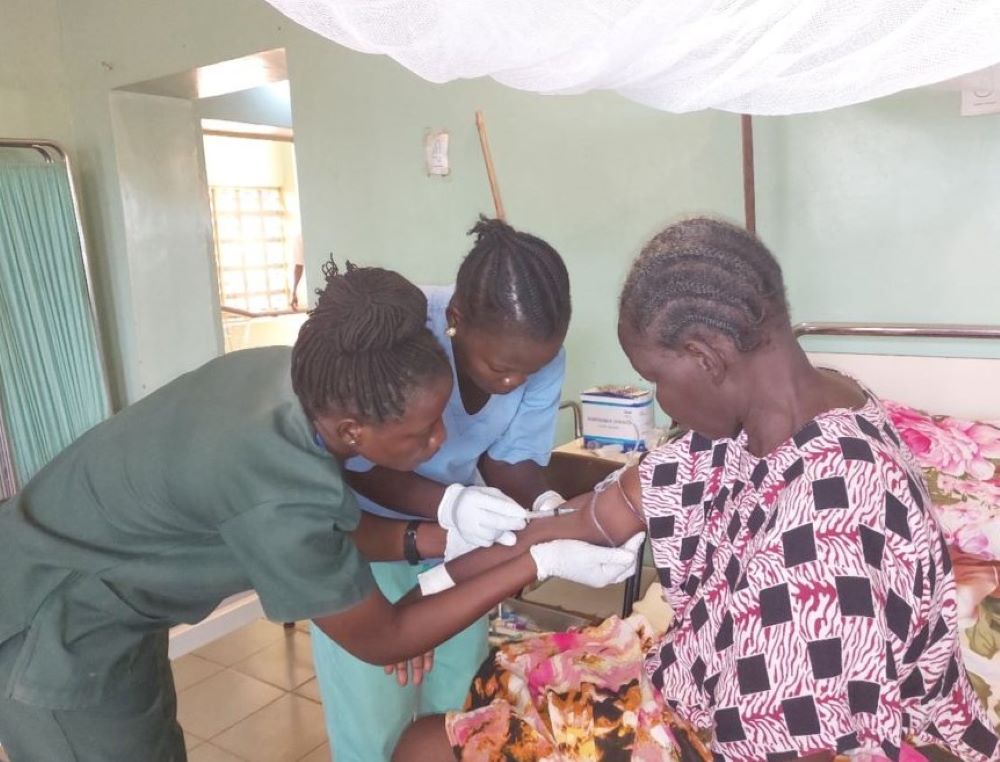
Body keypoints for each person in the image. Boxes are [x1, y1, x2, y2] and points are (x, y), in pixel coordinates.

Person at [394, 217, 999, 761]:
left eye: (654, 377)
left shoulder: (825, 532)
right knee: (490, 685)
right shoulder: (758, 420)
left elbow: (794, 740)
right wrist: (431, 591)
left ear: (705, 357)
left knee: (428, 748)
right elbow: (596, 516)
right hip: (701, 681)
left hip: (784, 738)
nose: (658, 398)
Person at [0, 261, 640, 762]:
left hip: (110, 602)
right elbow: (381, 634)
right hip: (54, 626)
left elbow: (343, 528)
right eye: (421, 437)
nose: (439, 446)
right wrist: (538, 555)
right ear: (355, 431)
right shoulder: (275, 486)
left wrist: (448, 532)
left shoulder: (293, 383)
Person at [310, 216, 578, 760]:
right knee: (375, 722)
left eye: (533, 371)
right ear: (455, 320)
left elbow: (513, 460)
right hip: (366, 537)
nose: (514, 383)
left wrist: (550, 509)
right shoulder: (401, 337)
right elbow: (355, 457)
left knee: (458, 715)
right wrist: (449, 505)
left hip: (456, 543)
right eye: (500, 367)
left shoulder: (534, 357)